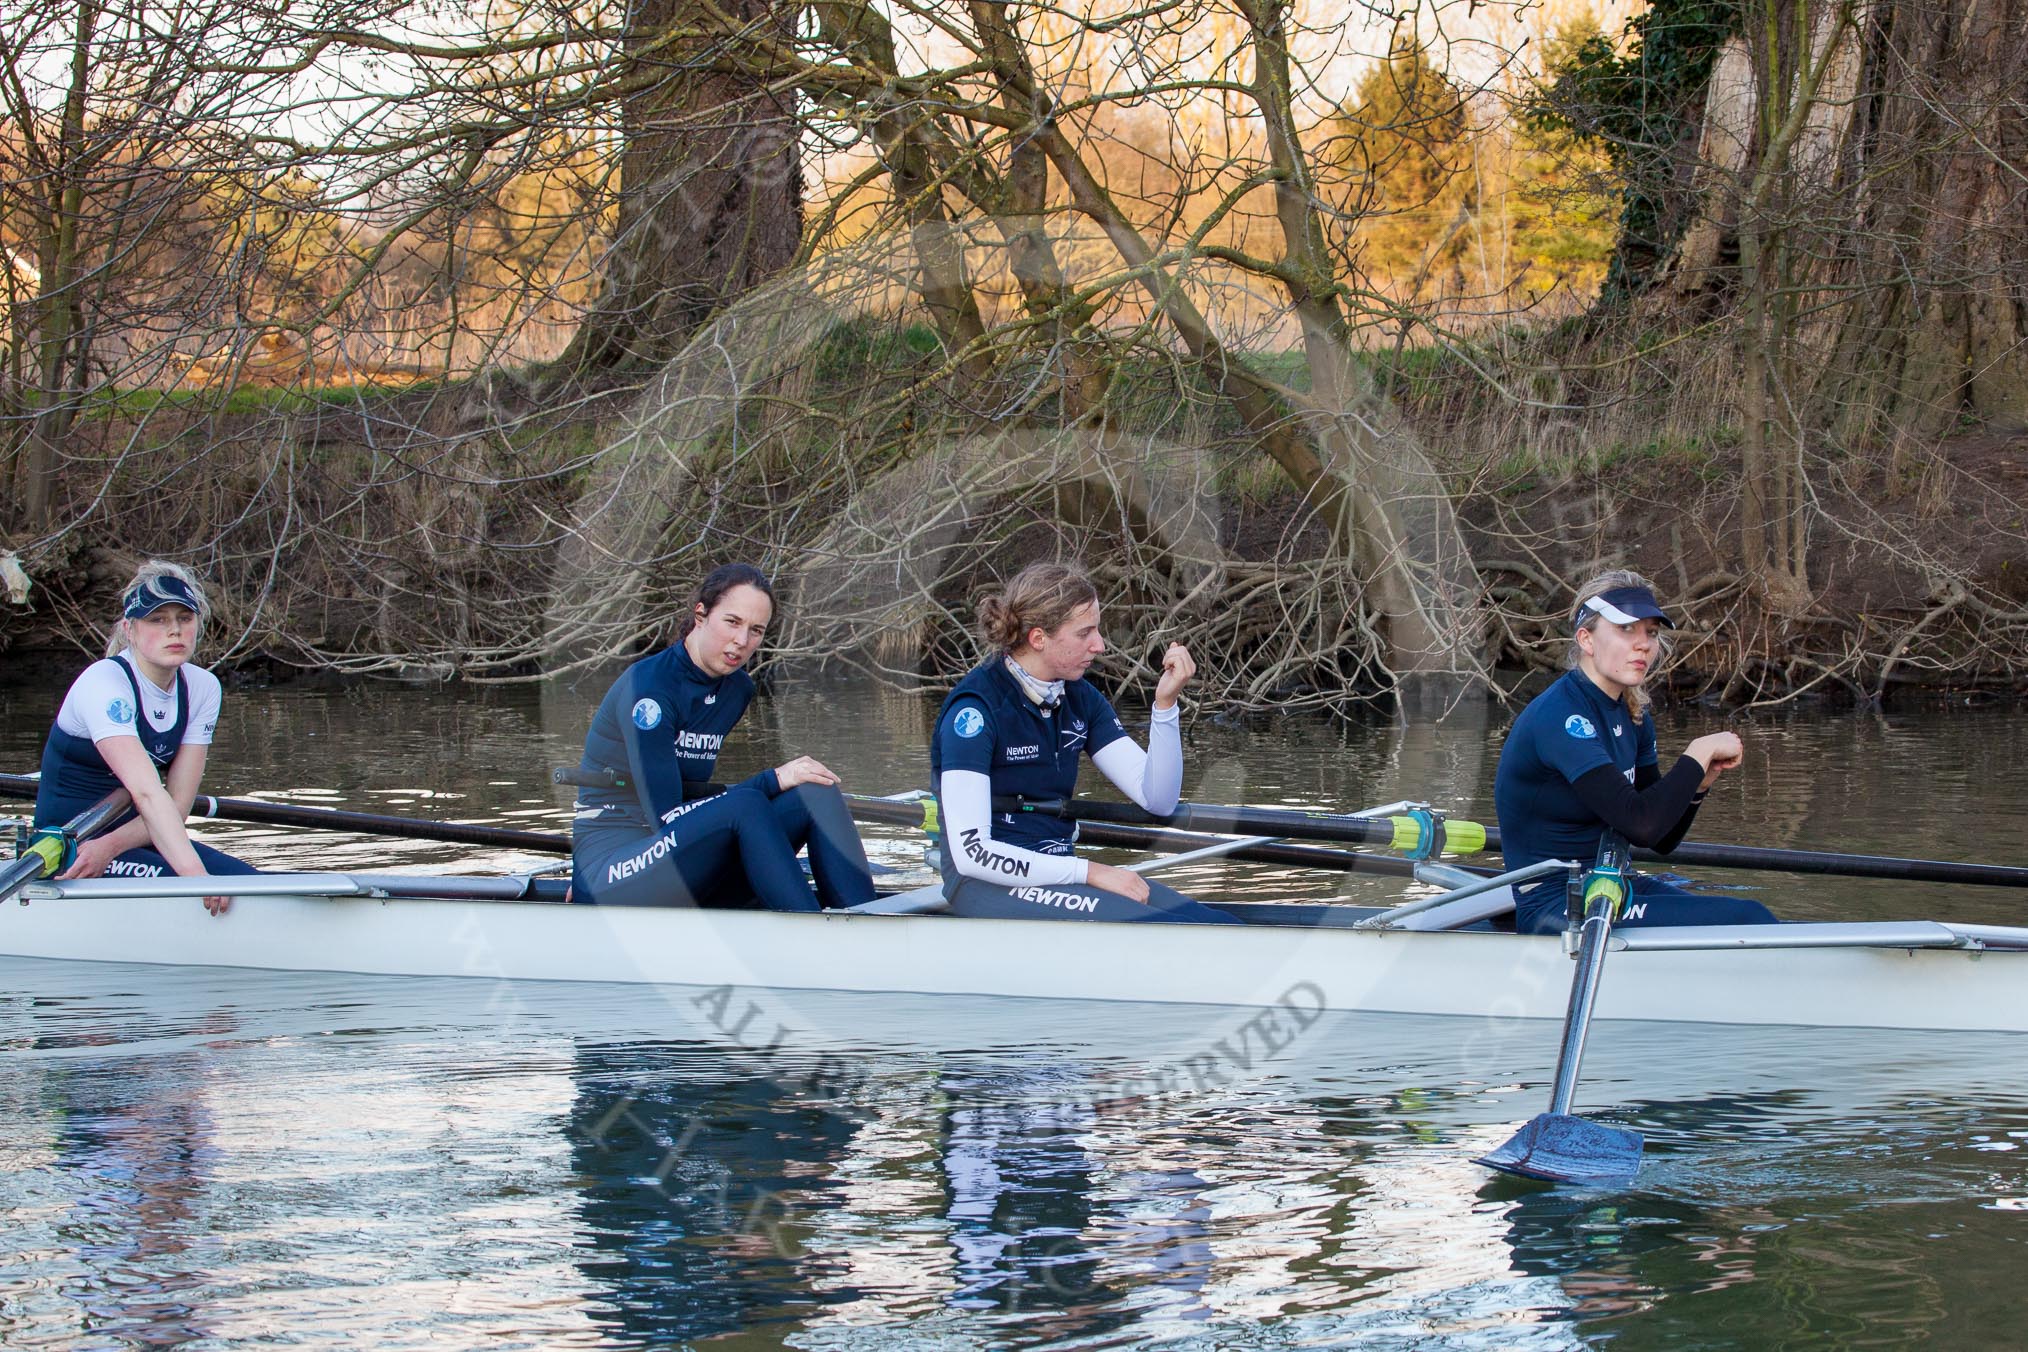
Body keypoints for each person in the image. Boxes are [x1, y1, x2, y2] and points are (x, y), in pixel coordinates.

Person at [928, 562, 1238, 924]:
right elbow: (973, 854)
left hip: (1058, 870)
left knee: (1215, 924)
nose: (1100, 644)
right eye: (1084, 633)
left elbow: (1159, 798)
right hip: (983, 884)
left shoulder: (1080, 698)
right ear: (1039, 638)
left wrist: (1165, 707)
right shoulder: (975, 713)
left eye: (1097, 629)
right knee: (1168, 929)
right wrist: (1091, 873)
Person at [569, 562, 876, 911]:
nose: (742, 641)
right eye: (732, 622)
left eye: (756, 630)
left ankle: (866, 921)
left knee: (815, 792)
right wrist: (772, 780)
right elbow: (667, 817)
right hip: (612, 868)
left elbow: (696, 812)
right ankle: (810, 933)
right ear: (701, 615)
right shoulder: (649, 692)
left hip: (681, 859)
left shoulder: (737, 689)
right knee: (746, 804)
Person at [1493, 568, 1778, 935]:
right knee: (1748, 920)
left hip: (1612, 886)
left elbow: (1660, 837)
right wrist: (1696, 753)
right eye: (1626, 629)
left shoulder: (1634, 714)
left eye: (1651, 633)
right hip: (1556, 904)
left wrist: (1699, 784)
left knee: (1752, 913)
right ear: (1586, 639)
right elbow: (1641, 823)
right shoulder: (1561, 718)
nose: (1643, 644)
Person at [34, 560, 257, 916]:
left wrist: (111, 846)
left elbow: (177, 805)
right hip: (71, 847)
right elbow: (147, 792)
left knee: (252, 882)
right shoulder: (104, 684)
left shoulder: (202, 687)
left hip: (138, 837)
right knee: (208, 883)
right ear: (130, 629)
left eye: (184, 619)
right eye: (158, 620)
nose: (174, 631)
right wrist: (197, 878)